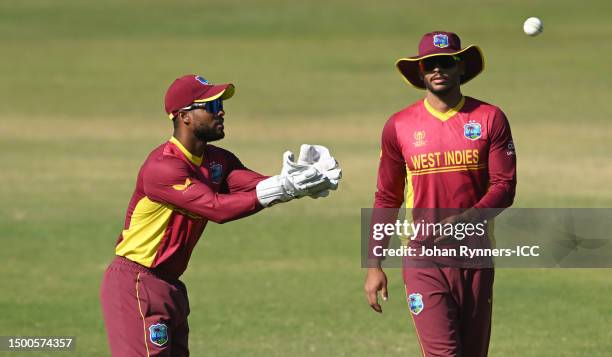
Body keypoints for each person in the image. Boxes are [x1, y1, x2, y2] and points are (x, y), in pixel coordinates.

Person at [100, 74, 341, 356]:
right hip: (137, 281)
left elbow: (256, 186)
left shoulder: (217, 160)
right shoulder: (163, 167)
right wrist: (283, 188)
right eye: (211, 106)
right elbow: (217, 208)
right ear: (184, 116)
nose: (221, 111)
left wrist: (303, 179)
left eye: (220, 104)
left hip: (170, 284)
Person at [364, 31, 516, 356]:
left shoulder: (490, 118)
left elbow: (505, 187)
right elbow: (387, 197)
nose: (437, 70)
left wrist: (466, 220)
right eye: (429, 63)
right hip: (422, 256)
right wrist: (374, 262)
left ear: (460, 67)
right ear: (420, 71)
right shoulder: (399, 126)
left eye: (445, 62)